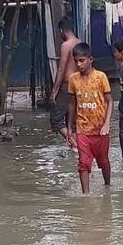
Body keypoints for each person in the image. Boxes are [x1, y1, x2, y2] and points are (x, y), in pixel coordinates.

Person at [67, 43, 112, 193]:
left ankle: (107, 186)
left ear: (90, 59)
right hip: (82, 129)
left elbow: (109, 101)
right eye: (76, 61)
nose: (78, 64)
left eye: (82, 60)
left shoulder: (101, 77)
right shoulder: (73, 79)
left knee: (103, 162)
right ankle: (85, 196)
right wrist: (69, 128)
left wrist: (106, 124)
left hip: (100, 130)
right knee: (83, 162)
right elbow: (72, 104)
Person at [50, 18, 80, 149]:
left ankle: (75, 145)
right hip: (80, 85)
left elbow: (61, 69)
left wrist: (54, 90)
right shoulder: (80, 43)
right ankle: (75, 147)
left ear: (62, 31)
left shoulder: (66, 45)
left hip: (68, 86)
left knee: (56, 120)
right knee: (72, 121)